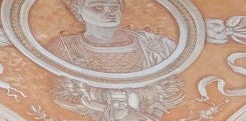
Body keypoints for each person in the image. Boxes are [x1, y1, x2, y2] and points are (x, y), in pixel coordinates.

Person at [47, 0, 179, 76]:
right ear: (78, 10)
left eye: (115, 7)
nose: (110, 12)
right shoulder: (62, 47)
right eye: (98, 7)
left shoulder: (155, 43)